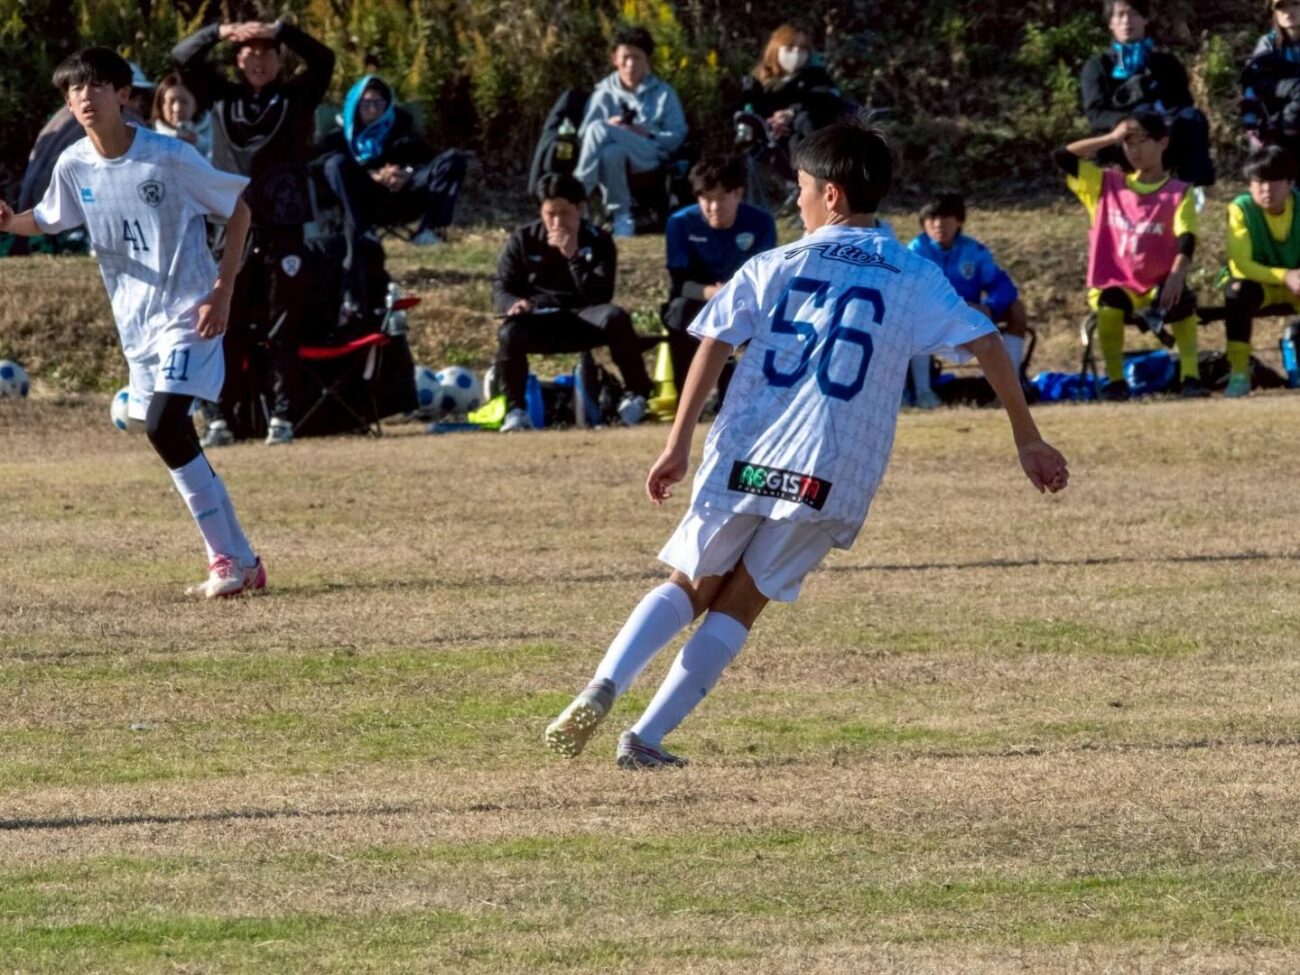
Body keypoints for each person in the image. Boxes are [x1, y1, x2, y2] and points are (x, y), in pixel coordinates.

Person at [544, 119, 1069, 769]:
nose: (796, 201)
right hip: (831, 467)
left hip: (749, 456)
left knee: (690, 581)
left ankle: (606, 682)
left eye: (802, 189)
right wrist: (1028, 437)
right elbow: (988, 341)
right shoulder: (910, 273)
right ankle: (644, 737)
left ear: (834, 197)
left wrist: (677, 443)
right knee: (741, 600)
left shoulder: (776, 262)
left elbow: (712, 340)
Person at [0, 48, 264, 599]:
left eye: (96, 87)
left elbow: (239, 211)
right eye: (74, 91)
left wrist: (222, 292)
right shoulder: (74, 164)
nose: (84, 98)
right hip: (136, 328)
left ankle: (226, 563)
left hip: (188, 312)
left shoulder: (168, 157)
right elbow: (47, 219)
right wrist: (10, 222)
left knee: (167, 425)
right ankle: (243, 559)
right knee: (168, 435)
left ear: (124, 95)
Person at [173, 18, 335, 447]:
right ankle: (219, 418)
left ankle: (283, 416)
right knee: (224, 320)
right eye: (251, 52)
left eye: (268, 52)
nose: (259, 59)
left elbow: (323, 58)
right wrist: (223, 31)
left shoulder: (296, 97)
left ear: (281, 59)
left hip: (284, 222)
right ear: (238, 59)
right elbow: (181, 57)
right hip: (231, 226)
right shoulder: (222, 97)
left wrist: (281, 29)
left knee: (284, 323)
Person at [1056, 111, 1206, 401]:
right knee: (1109, 306)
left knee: (1181, 299)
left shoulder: (1178, 192)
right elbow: (1063, 156)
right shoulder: (1105, 184)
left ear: (1163, 143)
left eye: (1141, 140)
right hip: (1116, 282)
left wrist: (1177, 275)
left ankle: (1191, 377)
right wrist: (1110, 137)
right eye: (1127, 141)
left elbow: (1187, 238)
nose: (1133, 148)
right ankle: (1115, 382)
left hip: (1157, 283)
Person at [492, 173, 654, 433]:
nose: (557, 222)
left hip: (585, 316)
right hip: (541, 319)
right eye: (550, 214)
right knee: (509, 332)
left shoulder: (599, 239)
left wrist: (573, 256)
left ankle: (636, 394)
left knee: (616, 317)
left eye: (564, 213)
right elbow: (501, 286)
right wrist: (514, 303)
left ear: (580, 208)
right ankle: (515, 410)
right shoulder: (523, 239)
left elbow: (601, 294)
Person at [316, 74, 466, 317]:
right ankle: (363, 234)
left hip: (405, 195)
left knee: (454, 160)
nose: (373, 109)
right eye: (367, 103)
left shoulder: (400, 126)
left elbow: (425, 158)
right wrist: (374, 175)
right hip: (364, 200)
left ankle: (430, 227)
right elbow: (320, 169)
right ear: (356, 105)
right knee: (335, 164)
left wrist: (406, 172)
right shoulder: (338, 136)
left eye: (379, 104)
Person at [662, 155, 777, 406]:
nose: (714, 207)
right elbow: (680, 284)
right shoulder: (680, 223)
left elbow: (768, 279)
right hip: (699, 300)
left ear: (738, 194)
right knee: (678, 312)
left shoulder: (761, 222)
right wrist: (714, 293)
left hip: (747, 302)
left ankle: (754, 397)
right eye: (706, 198)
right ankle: (687, 398)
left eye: (721, 198)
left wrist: (733, 295)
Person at [12, 62, 153, 256]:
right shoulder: (121, 121)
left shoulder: (63, 117)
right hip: (68, 224)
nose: (137, 104)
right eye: (134, 95)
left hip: (39, 218)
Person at [906, 191, 1031, 408]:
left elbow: (1002, 285)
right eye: (931, 219)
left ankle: (1008, 391)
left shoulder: (974, 250)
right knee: (911, 318)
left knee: (1016, 309)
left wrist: (990, 308)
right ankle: (923, 394)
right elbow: (910, 293)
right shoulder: (915, 251)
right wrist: (953, 309)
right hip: (930, 321)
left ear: (959, 221)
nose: (938, 224)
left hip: (970, 322)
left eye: (945, 218)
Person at [1079, 0, 1215, 187]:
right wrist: (1130, 122)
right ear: (1111, 23)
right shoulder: (1098, 65)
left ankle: (1188, 191)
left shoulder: (1166, 61)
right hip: (1123, 137)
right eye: (1120, 15)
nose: (1127, 21)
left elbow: (1184, 102)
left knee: (1193, 119)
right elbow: (1096, 114)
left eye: (1133, 14)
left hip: (1163, 133)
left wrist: (1163, 120)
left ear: (1145, 19)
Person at [574, 26, 687, 238]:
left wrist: (645, 133)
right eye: (625, 58)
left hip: (650, 154)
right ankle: (622, 217)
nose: (630, 65)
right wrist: (612, 126)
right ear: (614, 59)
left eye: (637, 58)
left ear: (647, 60)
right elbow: (585, 137)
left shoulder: (663, 93)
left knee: (599, 128)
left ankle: (577, 193)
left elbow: (677, 137)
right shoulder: (603, 94)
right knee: (611, 152)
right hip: (613, 157)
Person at [735, 23, 849, 200]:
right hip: (769, 142)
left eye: (802, 49)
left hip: (806, 141)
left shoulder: (815, 76)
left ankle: (816, 181)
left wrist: (791, 113)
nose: (796, 54)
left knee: (806, 120)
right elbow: (748, 109)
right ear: (776, 49)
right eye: (789, 48)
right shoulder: (757, 81)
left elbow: (826, 100)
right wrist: (769, 123)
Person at [1221, 145, 1300, 397]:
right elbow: (1241, 264)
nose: (1266, 189)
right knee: (1236, 291)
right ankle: (1240, 374)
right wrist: (1284, 275)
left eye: (1275, 181)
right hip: (1260, 284)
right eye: (1259, 182)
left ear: (1290, 183)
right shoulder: (1240, 208)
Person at [1241, 0, 1300, 154]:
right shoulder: (1269, 43)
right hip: (1275, 119)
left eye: (1295, 3)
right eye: (1281, 6)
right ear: (1274, 13)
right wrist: (1250, 122)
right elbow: (1253, 83)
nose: (1288, 11)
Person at [151, 73, 212, 159]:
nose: (177, 108)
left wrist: (199, 142)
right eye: (171, 101)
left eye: (184, 102)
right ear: (161, 105)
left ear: (195, 105)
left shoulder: (217, 135)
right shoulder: (148, 140)